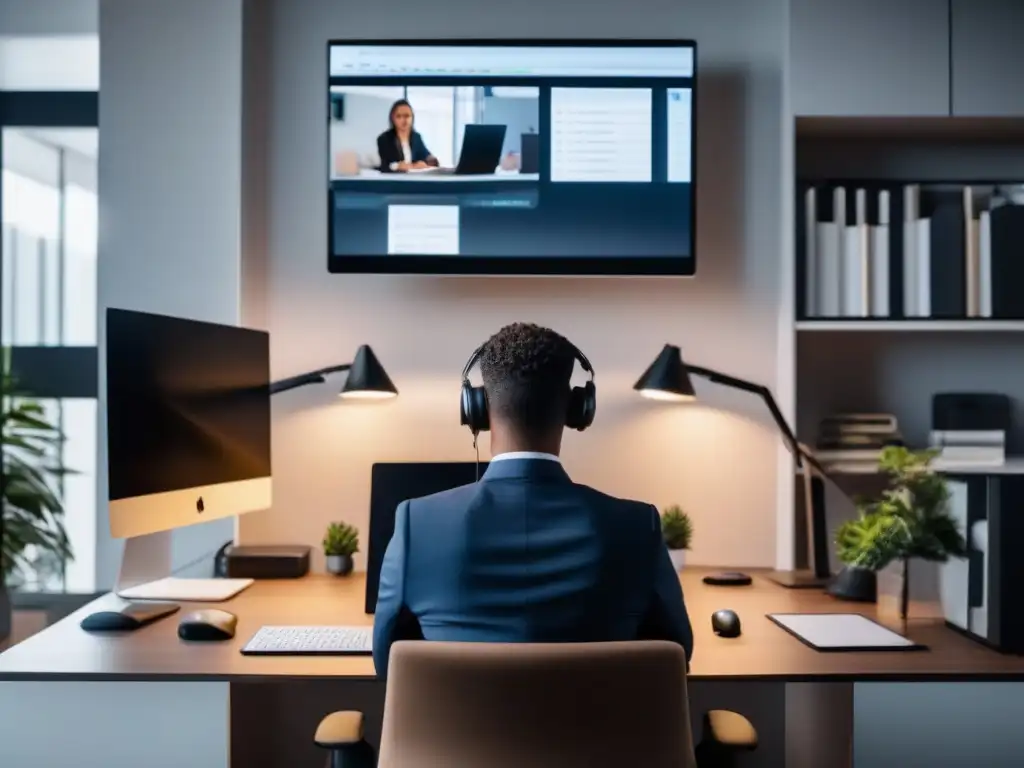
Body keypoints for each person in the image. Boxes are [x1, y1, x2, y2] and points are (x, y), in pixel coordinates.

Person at [373, 323, 693, 678]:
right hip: (596, 732)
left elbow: (387, 665)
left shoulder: (417, 524)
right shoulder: (636, 526)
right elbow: (677, 654)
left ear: (476, 409)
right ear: (577, 409)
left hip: (454, 735)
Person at [376, 99, 439, 173]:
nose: (404, 120)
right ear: (393, 119)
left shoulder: (416, 137)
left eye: (407, 116)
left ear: (412, 117)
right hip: (395, 179)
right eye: (399, 116)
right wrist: (397, 166)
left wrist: (428, 162)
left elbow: (426, 156)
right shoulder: (384, 139)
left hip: (415, 178)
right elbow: (384, 164)